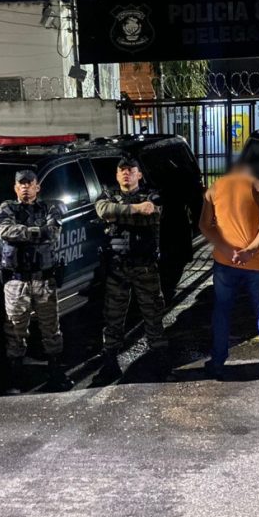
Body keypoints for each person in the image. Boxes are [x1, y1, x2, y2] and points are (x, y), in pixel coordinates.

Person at [0, 169, 73, 394]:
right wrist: (36, 232)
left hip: (44, 279)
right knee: (16, 328)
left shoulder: (49, 208)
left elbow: (53, 233)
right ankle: (16, 376)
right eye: (21, 184)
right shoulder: (6, 208)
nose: (25, 187)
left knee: (51, 328)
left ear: (38, 187)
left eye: (30, 184)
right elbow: (5, 231)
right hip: (16, 282)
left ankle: (56, 373)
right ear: (15, 188)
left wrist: (25, 233)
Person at [199, 162, 259, 380]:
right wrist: (250, 250)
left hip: (225, 263)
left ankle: (217, 362)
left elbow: (204, 225)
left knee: (222, 312)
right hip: (256, 263)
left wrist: (227, 249)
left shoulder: (215, 188)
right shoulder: (258, 186)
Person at [94, 154, 172, 382]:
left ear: (139, 174)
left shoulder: (152, 196)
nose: (126, 173)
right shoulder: (108, 195)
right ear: (117, 175)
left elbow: (153, 214)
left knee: (153, 314)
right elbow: (103, 211)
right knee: (113, 317)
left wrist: (120, 213)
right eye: (122, 170)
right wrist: (137, 209)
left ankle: (159, 360)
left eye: (131, 169)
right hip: (117, 267)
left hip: (145, 266)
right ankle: (110, 363)